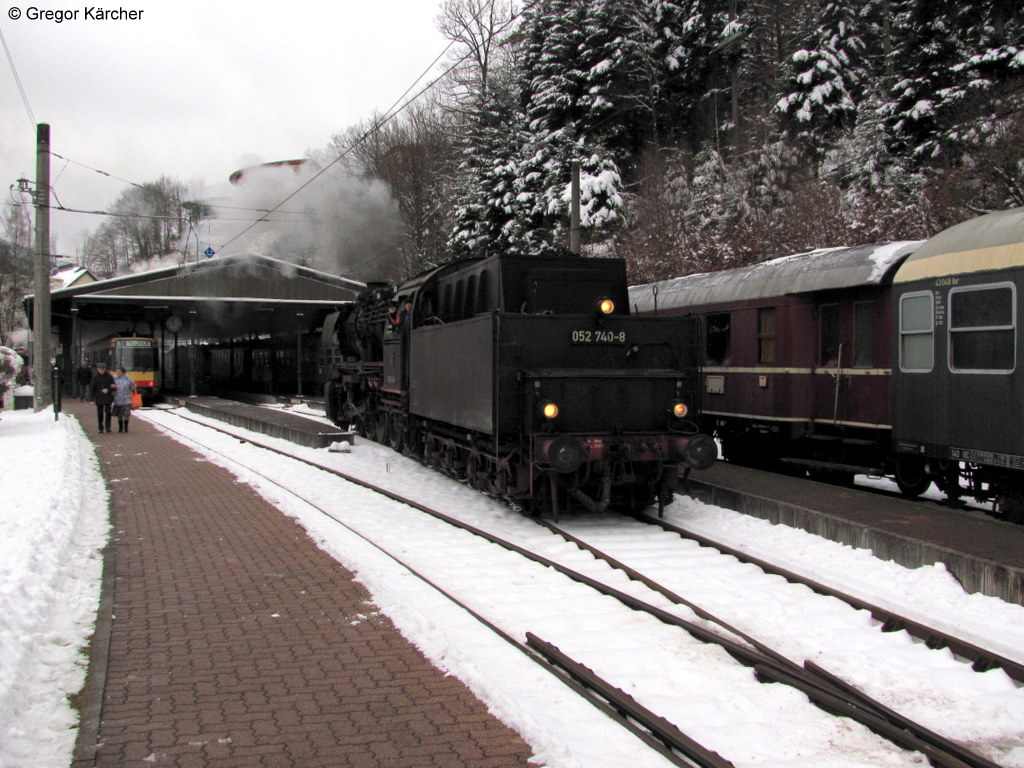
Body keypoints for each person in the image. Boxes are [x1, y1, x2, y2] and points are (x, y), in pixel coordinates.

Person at [91, 361, 116, 433]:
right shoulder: (95, 377)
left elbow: (114, 386)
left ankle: (108, 427)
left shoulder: (109, 377)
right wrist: (92, 398)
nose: (101, 370)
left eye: (102, 369)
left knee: (108, 412)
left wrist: (108, 390)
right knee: (100, 413)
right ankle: (100, 427)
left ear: (105, 369)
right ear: (98, 369)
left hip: (108, 397)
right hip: (99, 397)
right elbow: (92, 388)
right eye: (100, 369)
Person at [112, 365, 138, 433]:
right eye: (117, 371)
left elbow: (133, 387)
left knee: (126, 414)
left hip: (126, 399)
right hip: (118, 399)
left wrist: (133, 384)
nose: (117, 372)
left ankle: (126, 427)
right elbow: (111, 387)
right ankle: (120, 428)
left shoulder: (128, 379)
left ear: (123, 372)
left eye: (119, 371)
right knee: (119, 415)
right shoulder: (114, 378)